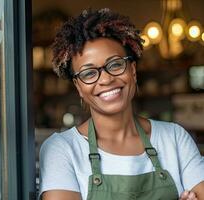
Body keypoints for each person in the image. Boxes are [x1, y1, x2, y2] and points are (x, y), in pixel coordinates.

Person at [39, 8, 204, 200]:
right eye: (89, 73)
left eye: (115, 64)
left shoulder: (174, 139)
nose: (106, 79)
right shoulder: (62, 149)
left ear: (132, 71)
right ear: (78, 86)